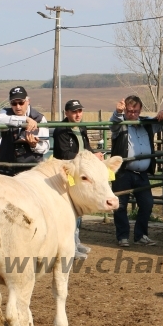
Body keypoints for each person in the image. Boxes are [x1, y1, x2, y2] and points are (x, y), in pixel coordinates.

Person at [110, 95, 163, 247]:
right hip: (123, 171)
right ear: (125, 110)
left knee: (147, 204)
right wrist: (117, 112)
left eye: (135, 111)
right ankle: (123, 236)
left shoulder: (147, 123)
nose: (133, 114)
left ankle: (141, 235)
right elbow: (114, 123)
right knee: (120, 205)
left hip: (142, 172)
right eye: (129, 111)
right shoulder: (121, 125)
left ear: (140, 110)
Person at [53, 99, 95, 258]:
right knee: (70, 209)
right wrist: (85, 159)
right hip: (69, 172)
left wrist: (92, 155)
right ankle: (69, 246)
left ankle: (75, 242)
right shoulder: (61, 130)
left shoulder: (81, 127)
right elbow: (64, 154)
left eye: (79, 111)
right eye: (74, 112)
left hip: (80, 173)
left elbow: (87, 147)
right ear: (67, 113)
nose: (78, 114)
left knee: (78, 208)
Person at [0, 86, 49, 173]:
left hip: (30, 171)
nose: (18, 107)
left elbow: (45, 147)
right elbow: (0, 120)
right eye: (14, 103)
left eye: (21, 103)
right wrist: (25, 119)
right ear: (10, 103)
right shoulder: (5, 113)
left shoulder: (40, 118)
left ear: (28, 101)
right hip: (7, 170)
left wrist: (34, 145)